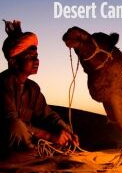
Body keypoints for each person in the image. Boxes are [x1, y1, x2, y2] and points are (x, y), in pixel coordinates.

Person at [0, 20, 78, 157]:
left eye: (36, 57)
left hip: (27, 138)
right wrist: (50, 136)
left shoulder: (33, 88)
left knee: (62, 129)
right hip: (7, 141)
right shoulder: (3, 84)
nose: (36, 61)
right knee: (15, 127)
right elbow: (13, 123)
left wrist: (65, 129)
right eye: (30, 57)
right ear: (13, 61)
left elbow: (47, 114)